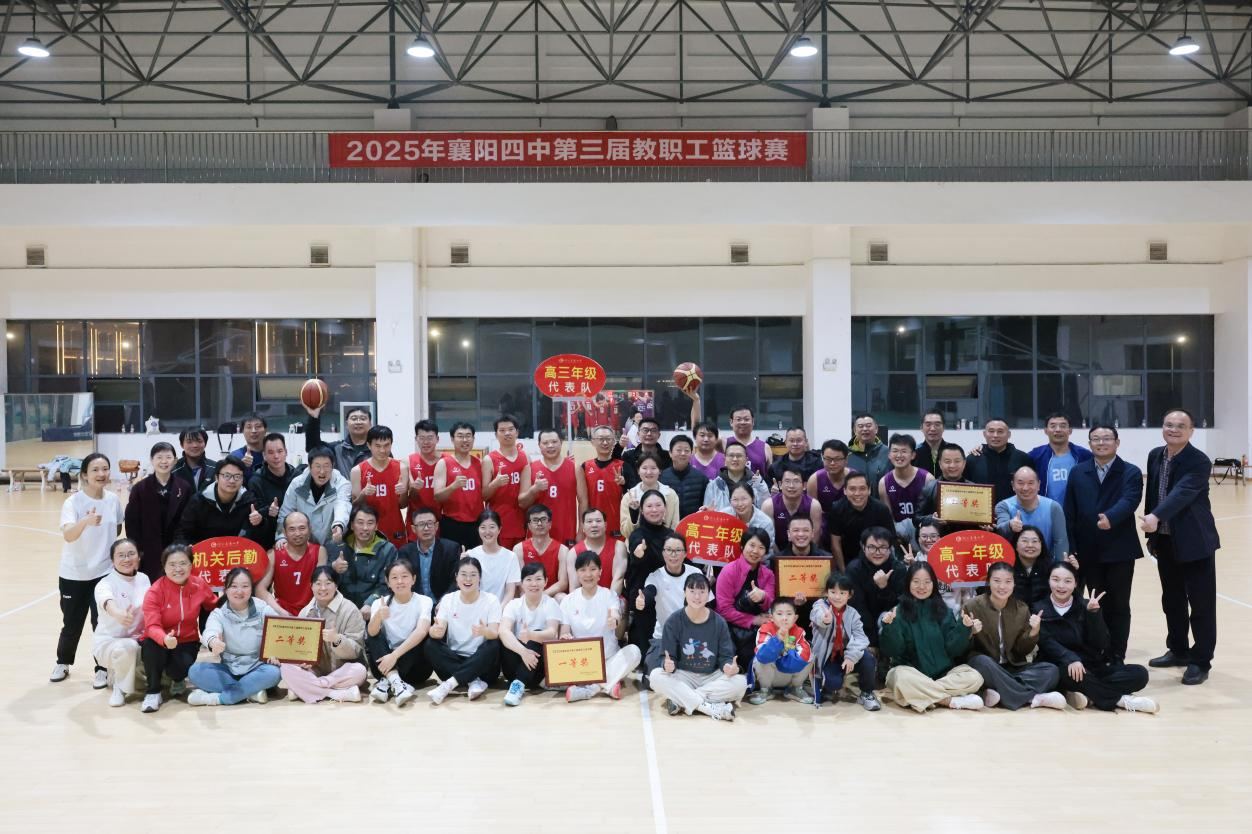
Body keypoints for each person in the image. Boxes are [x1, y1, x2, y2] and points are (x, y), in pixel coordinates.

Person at [1141, 408, 1220, 686]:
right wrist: (1152, 531)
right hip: (1165, 541)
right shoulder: (1155, 455)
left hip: (1195, 541)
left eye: (1180, 426)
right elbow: (1153, 492)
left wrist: (1155, 516)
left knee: (1201, 604)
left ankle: (1201, 661)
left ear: (1191, 431)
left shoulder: (1198, 461)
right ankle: (1178, 650)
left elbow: (1182, 493)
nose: (1173, 429)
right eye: (1169, 424)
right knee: (1172, 600)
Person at [1063, 424, 1143, 663]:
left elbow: (1130, 499)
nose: (1101, 443)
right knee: (1095, 601)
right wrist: (1072, 547)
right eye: (1095, 439)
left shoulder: (1130, 471)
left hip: (1120, 549)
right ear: (1090, 444)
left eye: (1107, 438)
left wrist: (1111, 517)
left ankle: (1117, 654)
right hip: (1088, 551)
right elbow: (1070, 512)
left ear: (1117, 442)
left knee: (1119, 604)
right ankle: (1099, 649)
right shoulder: (1078, 472)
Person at [1036, 562, 1157, 712]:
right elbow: (1046, 642)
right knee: (1069, 673)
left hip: (1091, 667)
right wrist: (1070, 659)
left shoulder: (1086, 605)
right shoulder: (1038, 609)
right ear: (1048, 581)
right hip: (1063, 666)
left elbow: (1101, 644)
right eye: (1055, 579)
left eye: (1067, 581)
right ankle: (1120, 700)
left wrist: (1093, 615)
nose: (1061, 585)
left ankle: (1087, 695)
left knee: (1139, 674)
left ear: (1076, 584)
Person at [51, 452, 123, 686]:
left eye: (105, 469)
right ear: (84, 475)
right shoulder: (73, 502)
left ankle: (102, 667)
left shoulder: (113, 500)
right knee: (72, 623)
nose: (101, 474)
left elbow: (117, 529)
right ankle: (63, 662)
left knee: (101, 623)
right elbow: (68, 535)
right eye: (95, 470)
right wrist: (85, 521)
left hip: (104, 573)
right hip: (74, 574)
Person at [879, 562, 985, 712]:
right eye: (916, 582)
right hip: (911, 673)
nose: (921, 587)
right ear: (908, 583)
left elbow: (953, 651)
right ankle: (950, 701)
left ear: (934, 584)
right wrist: (890, 628)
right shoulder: (898, 612)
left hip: (942, 675)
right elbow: (893, 651)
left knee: (975, 677)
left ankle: (920, 694)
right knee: (898, 677)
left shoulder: (944, 611)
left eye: (927, 582)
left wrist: (964, 629)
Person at [962, 562, 1063, 711]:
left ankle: (997, 692)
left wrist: (1033, 632)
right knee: (983, 662)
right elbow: (962, 649)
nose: (1002, 586)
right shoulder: (972, 606)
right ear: (988, 582)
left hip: (1012, 667)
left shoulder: (1021, 608)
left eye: (1008, 581)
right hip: (987, 666)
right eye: (997, 581)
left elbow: (1021, 651)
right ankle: (1032, 697)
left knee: (1052, 670)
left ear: (1014, 583)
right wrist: (970, 632)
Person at [648, 573, 747, 721]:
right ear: (684, 592)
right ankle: (708, 707)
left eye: (702, 591)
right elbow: (667, 657)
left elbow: (725, 657)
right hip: (683, 675)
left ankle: (681, 700)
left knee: (741, 682)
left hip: (711, 676)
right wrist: (667, 664)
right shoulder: (673, 621)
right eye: (692, 591)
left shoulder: (719, 622)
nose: (697, 596)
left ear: (709, 594)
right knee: (656, 676)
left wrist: (729, 667)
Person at [187, 567, 282, 707]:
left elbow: (279, 628)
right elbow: (210, 631)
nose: (239, 591)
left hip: (258, 668)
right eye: (234, 586)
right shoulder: (219, 613)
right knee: (195, 671)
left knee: (274, 673)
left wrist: (275, 652)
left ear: (251, 588)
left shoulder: (263, 608)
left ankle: (220, 698)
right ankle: (251, 692)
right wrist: (213, 642)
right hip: (230, 670)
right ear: (226, 589)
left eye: (245, 586)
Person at [140, 544, 217, 713]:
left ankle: (177, 678)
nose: (178, 569)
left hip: (187, 641)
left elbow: (213, 605)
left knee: (179, 669)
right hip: (160, 640)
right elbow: (151, 626)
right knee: (151, 646)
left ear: (191, 565)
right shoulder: (155, 591)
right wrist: (164, 638)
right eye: (172, 564)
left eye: (183, 563)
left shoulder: (199, 584)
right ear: (164, 566)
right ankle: (153, 692)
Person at [560, 552, 642, 701]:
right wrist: (565, 637)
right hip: (583, 662)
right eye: (583, 570)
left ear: (600, 572)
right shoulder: (568, 600)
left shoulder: (609, 595)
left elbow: (615, 614)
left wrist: (614, 620)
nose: (588, 574)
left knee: (634, 652)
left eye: (593, 569)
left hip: (609, 659)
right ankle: (609, 684)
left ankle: (591, 689)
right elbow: (564, 631)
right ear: (577, 573)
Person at [280, 565, 368, 704]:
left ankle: (306, 688)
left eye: (328, 583)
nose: (323, 588)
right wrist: (303, 661)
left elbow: (356, 650)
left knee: (360, 671)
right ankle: (336, 693)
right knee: (286, 667)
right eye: (318, 583)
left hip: (343, 671)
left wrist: (337, 639)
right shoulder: (305, 613)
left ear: (336, 585)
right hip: (315, 670)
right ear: (311, 586)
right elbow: (299, 650)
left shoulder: (350, 609)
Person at [424, 556, 502, 704]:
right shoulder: (448, 599)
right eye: (464, 574)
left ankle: (450, 684)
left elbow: (494, 633)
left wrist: (484, 631)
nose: (468, 579)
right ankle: (472, 680)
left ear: (480, 578)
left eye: (473, 575)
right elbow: (438, 629)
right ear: (456, 577)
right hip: (453, 660)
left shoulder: (491, 600)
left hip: (483, 666)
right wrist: (434, 631)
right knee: (430, 644)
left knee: (493, 645)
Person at [364, 559, 434, 707]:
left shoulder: (424, 601)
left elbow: (422, 631)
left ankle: (387, 683)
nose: (400, 581)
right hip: (382, 665)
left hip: (416, 669)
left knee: (421, 637)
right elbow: (371, 633)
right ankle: (396, 681)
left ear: (413, 579)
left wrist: (394, 656)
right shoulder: (380, 603)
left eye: (404, 576)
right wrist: (378, 616)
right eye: (394, 577)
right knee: (374, 634)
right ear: (388, 582)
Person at [92, 539, 152, 707]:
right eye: (121, 555)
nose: (127, 559)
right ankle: (120, 687)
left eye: (131, 554)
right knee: (128, 647)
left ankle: (121, 674)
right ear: (112, 560)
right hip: (110, 643)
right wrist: (118, 613)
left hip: (138, 640)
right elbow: (107, 602)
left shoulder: (144, 579)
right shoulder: (105, 584)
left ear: (138, 557)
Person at [639, 533, 711, 672]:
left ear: (685, 553)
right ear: (663, 553)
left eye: (678, 550)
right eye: (669, 550)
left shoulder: (695, 573)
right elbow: (650, 591)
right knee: (652, 672)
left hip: (693, 637)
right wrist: (643, 600)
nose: (673, 554)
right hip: (663, 637)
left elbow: (708, 605)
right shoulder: (655, 576)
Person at [809, 573, 880, 710]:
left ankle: (866, 693)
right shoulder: (820, 606)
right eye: (833, 592)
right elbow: (817, 614)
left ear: (849, 595)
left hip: (846, 653)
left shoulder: (853, 613)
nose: (837, 597)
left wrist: (851, 657)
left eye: (842, 593)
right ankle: (828, 685)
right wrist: (825, 620)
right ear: (826, 592)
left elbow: (860, 638)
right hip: (828, 657)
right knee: (833, 683)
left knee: (868, 659)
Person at [124, 441, 192, 581]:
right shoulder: (140, 488)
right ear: (151, 460)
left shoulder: (184, 487)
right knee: (151, 586)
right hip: (148, 551)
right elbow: (132, 523)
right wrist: (137, 551)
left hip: (176, 549)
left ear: (175, 460)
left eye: (168, 457)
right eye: (159, 457)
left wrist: (182, 546)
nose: (164, 461)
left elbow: (188, 521)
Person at [499, 562, 563, 706]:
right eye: (529, 579)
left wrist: (531, 635)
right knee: (501, 639)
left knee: (538, 635)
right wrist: (523, 652)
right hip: (515, 665)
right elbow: (503, 630)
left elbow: (552, 633)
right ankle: (520, 682)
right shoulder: (514, 604)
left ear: (546, 582)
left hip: (539, 668)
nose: (534, 584)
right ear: (522, 583)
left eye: (538, 579)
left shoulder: (551, 603)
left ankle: (518, 685)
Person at [714, 528, 776, 673]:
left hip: (757, 630)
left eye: (761, 547)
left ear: (766, 552)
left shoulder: (768, 574)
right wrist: (753, 620)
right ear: (742, 546)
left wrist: (763, 597)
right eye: (752, 545)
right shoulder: (729, 570)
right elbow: (723, 610)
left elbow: (770, 602)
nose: (755, 551)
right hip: (729, 629)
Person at [624, 490, 679, 652]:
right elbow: (636, 552)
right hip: (643, 598)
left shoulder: (671, 535)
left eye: (658, 505)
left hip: (667, 596)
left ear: (665, 509)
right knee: (643, 647)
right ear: (642, 510)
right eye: (649, 506)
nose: (654, 510)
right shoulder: (637, 535)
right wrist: (638, 553)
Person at [332, 505, 399, 619]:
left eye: (370, 523)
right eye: (360, 523)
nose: (365, 528)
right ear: (352, 525)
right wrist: (333, 568)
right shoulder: (338, 545)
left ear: (376, 526)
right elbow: (324, 579)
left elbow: (387, 584)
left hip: (373, 611)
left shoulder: (387, 550)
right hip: (341, 610)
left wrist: (370, 603)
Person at [844, 526, 908, 646]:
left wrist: (884, 588)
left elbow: (900, 606)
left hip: (892, 630)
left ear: (890, 548)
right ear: (863, 547)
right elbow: (857, 607)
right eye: (872, 547)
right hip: (862, 632)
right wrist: (871, 642)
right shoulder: (854, 569)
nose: (877, 552)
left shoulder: (899, 569)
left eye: (883, 547)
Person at [175, 457, 262, 544]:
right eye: (227, 476)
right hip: (205, 550)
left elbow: (257, 534)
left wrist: (260, 521)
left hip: (236, 550)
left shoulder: (248, 500)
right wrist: (188, 546)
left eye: (237, 476)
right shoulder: (199, 500)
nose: (232, 481)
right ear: (216, 477)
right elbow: (183, 533)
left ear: (242, 479)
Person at [277, 448, 351, 548]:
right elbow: (286, 512)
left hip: (331, 543)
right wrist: (281, 537)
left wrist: (339, 524)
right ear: (309, 466)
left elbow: (342, 505)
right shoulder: (297, 484)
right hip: (302, 545)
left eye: (326, 466)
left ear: (333, 466)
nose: (322, 471)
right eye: (317, 466)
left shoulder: (342, 484)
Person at [351, 425, 409, 548]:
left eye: (386, 445)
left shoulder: (401, 467)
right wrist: (363, 494)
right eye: (377, 446)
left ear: (391, 444)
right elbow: (354, 506)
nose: (382, 450)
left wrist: (404, 492)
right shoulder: (357, 471)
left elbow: (402, 505)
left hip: (395, 528)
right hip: (367, 531)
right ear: (369, 445)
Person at [746, 598, 813, 705]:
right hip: (771, 676)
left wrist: (783, 661)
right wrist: (777, 640)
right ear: (771, 617)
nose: (784, 618)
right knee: (758, 659)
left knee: (811, 656)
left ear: (795, 618)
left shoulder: (799, 632)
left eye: (789, 614)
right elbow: (762, 656)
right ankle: (765, 690)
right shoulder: (765, 629)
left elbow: (804, 655)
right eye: (779, 614)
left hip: (790, 673)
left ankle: (795, 689)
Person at [995, 467, 1069, 560]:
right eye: (1020, 483)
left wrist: (1060, 566)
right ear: (1013, 485)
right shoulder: (1003, 506)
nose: (1025, 488)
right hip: (1013, 563)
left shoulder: (1053, 507)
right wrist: (1010, 525)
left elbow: (1060, 541)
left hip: (1046, 564)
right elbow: (999, 532)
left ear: (1038, 485)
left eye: (1030, 483)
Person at [257, 511, 322, 616]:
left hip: (312, 612)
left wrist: (310, 610)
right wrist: (281, 612)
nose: (297, 533)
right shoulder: (274, 554)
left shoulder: (320, 552)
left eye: (302, 528)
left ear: (310, 529)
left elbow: (322, 586)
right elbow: (260, 589)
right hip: (282, 612)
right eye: (292, 529)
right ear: (284, 532)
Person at [433, 422, 486, 551]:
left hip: (476, 524)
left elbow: (485, 494)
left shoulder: (480, 464)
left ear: (473, 439)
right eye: (460, 436)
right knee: (452, 560)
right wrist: (453, 486)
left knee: (476, 560)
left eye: (468, 436)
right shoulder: (444, 463)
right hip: (452, 523)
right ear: (452, 439)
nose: (465, 440)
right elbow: (437, 496)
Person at [826, 472, 894, 571]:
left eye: (862, 488)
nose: (857, 493)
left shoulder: (881, 509)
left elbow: (889, 541)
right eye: (852, 489)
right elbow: (835, 543)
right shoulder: (836, 509)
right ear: (845, 491)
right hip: (848, 560)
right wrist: (844, 572)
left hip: (877, 559)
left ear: (869, 490)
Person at [482, 415, 532, 550]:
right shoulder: (489, 459)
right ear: (496, 435)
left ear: (517, 432)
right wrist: (495, 484)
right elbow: (483, 495)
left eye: (510, 429)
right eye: (502, 430)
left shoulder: (525, 457)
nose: (507, 433)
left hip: (520, 522)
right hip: (498, 523)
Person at [245, 432, 301, 551]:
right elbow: (256, 517)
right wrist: (268, 512)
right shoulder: (256, 481)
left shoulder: (297, 477)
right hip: (267, 540)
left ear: (286, 452)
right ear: (264, 455)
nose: (276, 456)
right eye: (270, 452)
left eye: (280, 451)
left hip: (297, 536)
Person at [397, 505, 462, 603]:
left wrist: (444, 602)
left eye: (430, 523)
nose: (426, 528)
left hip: (442, 603)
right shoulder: (405, 552)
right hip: (415, 604)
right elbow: (403, 581)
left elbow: (456, 580)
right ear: (414, 529)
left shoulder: (451, 549)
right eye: (421, 524)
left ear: (436, 526)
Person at [526, 429, 580, 546]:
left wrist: (581, 531)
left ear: (561, 442)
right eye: (545, 443)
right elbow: (522, 503)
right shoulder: (531, 468)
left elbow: (583, 502)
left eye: (554, 442)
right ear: (539, 445)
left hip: (566, 532)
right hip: (538, 534)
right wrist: (534, 489)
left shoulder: (575, 468)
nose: (550, 446)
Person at [963, 419, 1033, 505]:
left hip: (1014, 510)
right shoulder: (973, 459)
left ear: (1009, 434)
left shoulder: (1023, 458)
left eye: (1000, 431)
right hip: (980, 509)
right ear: (984, 434)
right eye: (991, 431)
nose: (995, 435)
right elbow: (965, 487)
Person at [1028, 412, 1092, 506]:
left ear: (1070, 430)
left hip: (1077, 511)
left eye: (1063, 426)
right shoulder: (1036, 456)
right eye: (1053, 426)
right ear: (1046, 431)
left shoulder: (1084, 455)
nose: (1058, 430)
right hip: (1045, 511)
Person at [878, 434, 933, 540]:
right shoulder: (883, 482)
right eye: (895, 451)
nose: (899, 455)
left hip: (925, 534)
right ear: (889, 455)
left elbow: (932, 513)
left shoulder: (927, 478)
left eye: (904, 451)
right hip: (898, 535)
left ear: (913, 455)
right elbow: (889, 518)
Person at [577, 425, 626, 541]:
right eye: (601, 439)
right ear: (592, 442)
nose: (605, 442)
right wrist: (581, 529)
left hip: (617, 527)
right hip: (593, 526)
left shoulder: (623, 466)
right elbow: (583, 502)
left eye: (608, 439)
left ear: (614, 441)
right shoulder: (585, 467)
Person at [464, 508, 520, 604]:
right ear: (478, 529)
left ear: (499, 529)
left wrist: (498, 610)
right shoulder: (471, 555)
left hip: (501, 608)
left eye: (492, 527)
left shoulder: (511, 557)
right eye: (483, 527)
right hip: (475, 607)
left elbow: (510, 592)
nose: (487, 531)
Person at [304, 401, 372, 479]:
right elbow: (312, 447)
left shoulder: (377, 449)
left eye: (363, 418)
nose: (358, 422)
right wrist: (313, 418)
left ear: (370, 424)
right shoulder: (336, 449)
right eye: (354, 419)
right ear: (347, 424)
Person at [514, 504, 569, 598]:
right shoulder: (519, 549)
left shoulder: (562, 550)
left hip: (551, 595)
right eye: (535, 520)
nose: (539, 523)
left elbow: (563, 582)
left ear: (550, 524)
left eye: (543, 519)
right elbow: (519, 581)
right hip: (528, 595)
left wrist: (542, 596)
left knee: (561, 597)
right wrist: (532, 595)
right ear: (529, 525)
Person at [914, 442, 972, 530]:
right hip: (938, 536)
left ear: (964, 463)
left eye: (957, 461)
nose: (952, 465)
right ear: (940, 464)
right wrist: (931, 519)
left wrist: (985, 525)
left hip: (966, 537)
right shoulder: (929, 488)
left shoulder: (975, 489)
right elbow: (916, 519)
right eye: (947, 461)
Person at [621, 453, 680, 537]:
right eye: (644, 468)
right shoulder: (629, 497)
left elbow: (675, 526)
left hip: (665, 542)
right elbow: (625, 533)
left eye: (653, 468)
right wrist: (634, 514)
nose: (649, 472)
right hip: (637, 543)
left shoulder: (671, 495)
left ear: (660, 471)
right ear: (638, 471)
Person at [764, 466, 823, 549]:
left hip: (807, 552)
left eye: (796, 481)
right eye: (787, 481)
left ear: (804, 485)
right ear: (780, 485)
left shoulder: (814, 506)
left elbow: (815, 538)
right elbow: (769, 540)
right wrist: (779, 556)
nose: (791, 486)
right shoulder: (769, 505)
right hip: (777, 553)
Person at [914, 520, 964, 614]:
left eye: (933, 536)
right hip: (926, 615)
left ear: (941, 537)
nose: (929, 540)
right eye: (924, 536)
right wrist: (911, 568)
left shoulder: (956, 558)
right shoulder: (914, 562)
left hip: (955, 615)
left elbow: (968, 589)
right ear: (918, 539)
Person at [572, 508, 626, 595]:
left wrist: (608, 601)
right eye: (589, 521)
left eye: (598, 521)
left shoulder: (619, 546)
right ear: (583, 527)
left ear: (605, 525)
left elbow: (618, 579)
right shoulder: (573, 552)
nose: (594, 525)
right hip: (585, 599)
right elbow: (574, 588)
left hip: (612, 598)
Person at [703, 441, 769, 511]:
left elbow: (765, 511)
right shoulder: (713, 485)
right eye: (731, 455)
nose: (735, 459)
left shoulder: (757, 483)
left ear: (746, 460)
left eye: (739, 456)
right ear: (725, 459)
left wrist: (761, 488)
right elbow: (707, 513)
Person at [405, 419, 442, 537]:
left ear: (437, 439)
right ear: (416, 439)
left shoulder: (447, 461)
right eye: (421, 438)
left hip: (442, 521)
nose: (426, 442)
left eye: (430, 438)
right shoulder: (407, 462)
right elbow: (407, 499)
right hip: (417, 522)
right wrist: (414, 488)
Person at [661, 434, 710, 519]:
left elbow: (705, 506)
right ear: (670, 453)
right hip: (668, 523)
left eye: (686, 451)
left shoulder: (701, 478)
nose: (683, 453)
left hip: (693, 524)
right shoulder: (661, 477)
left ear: (692, 453)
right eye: (679, 450)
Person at [808, 439, 851, 530]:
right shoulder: (814, 479)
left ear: (846, 460)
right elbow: (812, 512)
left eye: (837, 459)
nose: (832, 463)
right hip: (823, 526)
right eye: (828, 459)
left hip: (850, 523)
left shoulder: (854, 478)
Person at [621, 417, 672, 488]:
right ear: (638, 434)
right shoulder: (628, 456)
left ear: (659, 435)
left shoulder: (667, 456)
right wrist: (620, 446)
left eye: (653, 430)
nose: (649, 433)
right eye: (645, 430)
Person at [1011, 526, 1053, 607]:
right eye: (1024, 541)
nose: (1030, 545)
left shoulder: (1051, 569)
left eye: (1035, 541)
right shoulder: (1007, 569)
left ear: (1041, 544)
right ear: (1016, 545)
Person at [725, 404, 771, 476]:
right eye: (738, 419)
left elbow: (771, 476)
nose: (742, 422)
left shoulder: (765, 447)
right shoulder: (724, 444)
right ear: (731, 422)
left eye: (746, 419)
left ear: (753, 421)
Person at [847, 413, 891, 488]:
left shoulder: (888, 453)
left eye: (868, 426)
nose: (865, 429)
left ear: (876, 429)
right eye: (860, 426)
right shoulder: (846, 454)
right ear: (855, 430)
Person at [726, 482, 773, 550]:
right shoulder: (724, 515)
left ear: (753, 498)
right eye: (735, 499)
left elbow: (767, 551)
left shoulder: (765, 523)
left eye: (744, 499)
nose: (740, 504)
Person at [172, 426, 217, 491]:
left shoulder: (215, 468)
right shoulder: (173, 469)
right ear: (182, 445)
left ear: (205, 443)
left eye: (199, 441)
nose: (194, 445)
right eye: (189, 442)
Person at [229, 413, 268, 478]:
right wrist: (241, 467)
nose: (253, 431)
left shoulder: (273, 455)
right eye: (249, 427)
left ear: (265, 430)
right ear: (242, 431)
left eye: (258, 426)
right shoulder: (235, 457)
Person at [913, 411, 946, 475]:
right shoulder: (914, 452)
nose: (932, 429)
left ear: (944, 427)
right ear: (921, 428)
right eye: (928, 425)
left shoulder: (953, 451)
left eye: (937, 425)